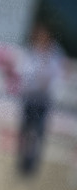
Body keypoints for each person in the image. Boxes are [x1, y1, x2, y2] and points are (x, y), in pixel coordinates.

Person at [16, 22, 65, 177]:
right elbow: (25, 72)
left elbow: (55, 77)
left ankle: (31, 166)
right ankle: (22, 164)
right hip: (30, 97)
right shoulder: (33, 51)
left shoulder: (55, 54)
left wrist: (40, 80)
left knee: (38, 133)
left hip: (42, 99)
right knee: (25, 131)